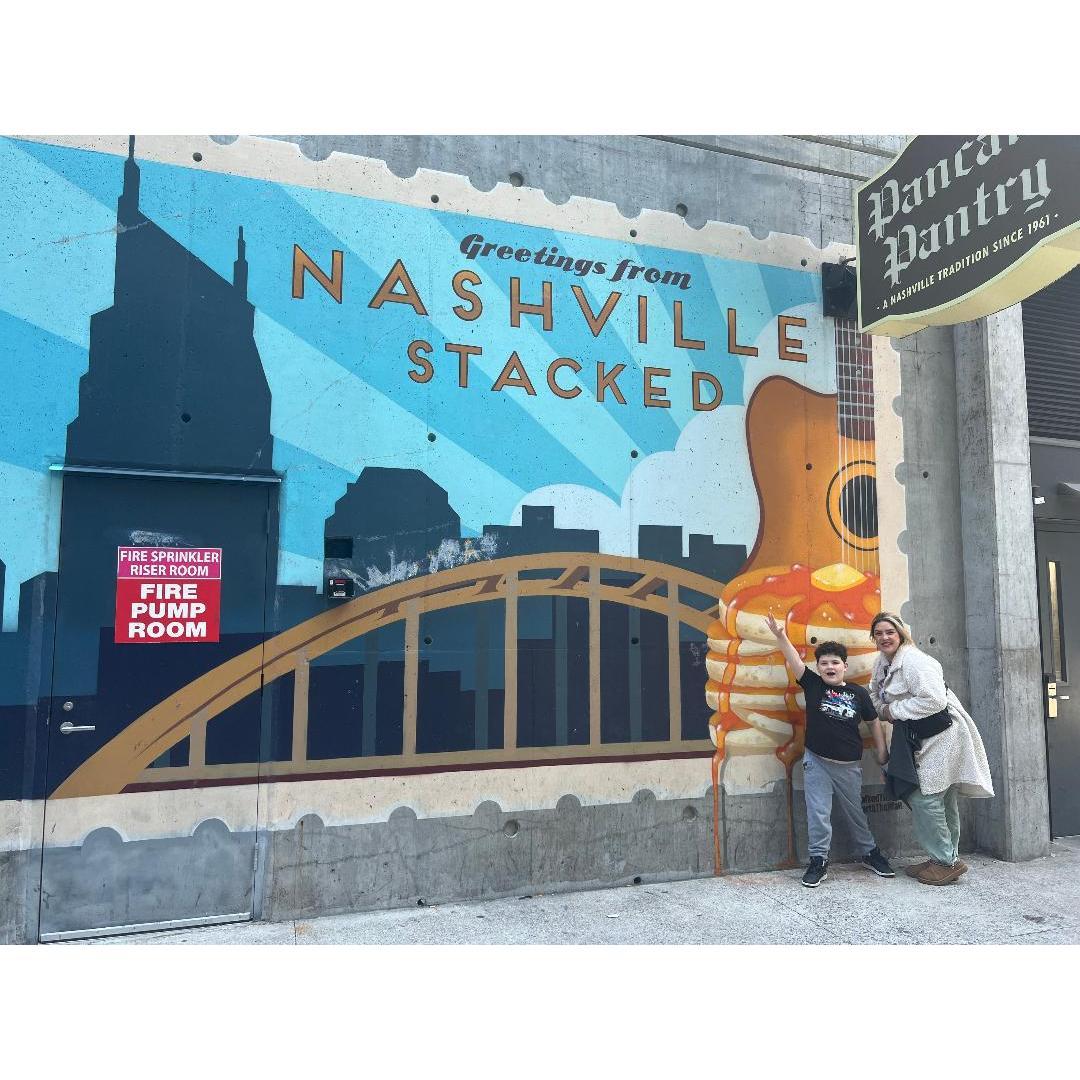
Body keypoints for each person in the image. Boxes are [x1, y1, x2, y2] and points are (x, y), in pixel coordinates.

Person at [765, 614, 895, 887]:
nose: (829, 667)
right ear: (818, 668)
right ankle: (818, 860)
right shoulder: (813, 685)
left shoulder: (858, 693)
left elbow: (873, 722)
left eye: (835, 662)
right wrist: (780, 635)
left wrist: (882, 754)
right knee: (818, 813)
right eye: (824, 663)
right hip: (817, 763)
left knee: (856, 813)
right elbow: (793, 660)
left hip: (849, 766)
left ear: (844, 666)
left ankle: (869, 853)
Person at [868, 612, 994, 886]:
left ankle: (944, 862)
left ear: (901, 634)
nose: (884, 637)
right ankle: (946, 858)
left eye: (890, 632)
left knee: (924, 796)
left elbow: (935, 700)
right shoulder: (882, 663)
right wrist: (883, 709)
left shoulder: (915, 661)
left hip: (942, 733)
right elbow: (875, 695)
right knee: (940, 796)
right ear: (873, 638)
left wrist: (892, 711)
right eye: (878, 633)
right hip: (918, 736)